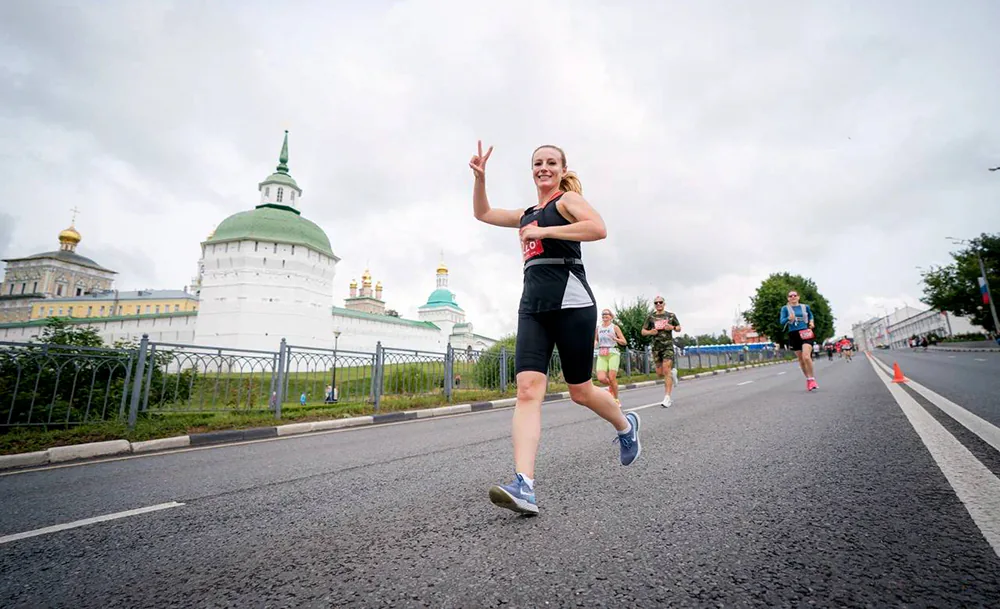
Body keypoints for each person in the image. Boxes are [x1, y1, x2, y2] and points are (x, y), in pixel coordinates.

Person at [469, 141, 641, 516]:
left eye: (550, 163)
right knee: (528, 390)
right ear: (532, 170)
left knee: (581, 391)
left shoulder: (565, 202)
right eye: (537, 163)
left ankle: (625, 426)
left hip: (572, 303)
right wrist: (480, 179)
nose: (543, 168)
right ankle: (524, 485)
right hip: (533, 306)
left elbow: (598, 228)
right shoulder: (527, 212)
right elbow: (483, 213)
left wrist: (545, 234)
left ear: (562, 170)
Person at [641, 297, 682, 407]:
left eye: (660, 302)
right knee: (660, 373)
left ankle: (667, 398)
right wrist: (651, 332)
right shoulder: (651, 317)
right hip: (656, 348)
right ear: (654, 305)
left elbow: (679, 328)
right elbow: (643, 331)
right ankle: (673, 373)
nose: (658, 304)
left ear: (664, 303)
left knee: (666, 370)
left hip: (667, 347)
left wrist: (672, 327)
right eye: (656, 303)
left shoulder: (671, 315)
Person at [780, 291, 818, 391]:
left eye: (795, 295)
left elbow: (810, 315)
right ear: (788, 298)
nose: (793, 297)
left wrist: (811, 321)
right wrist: (788, 318)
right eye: (790, 296)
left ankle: (812, 378)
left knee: (806, 356)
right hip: (793, 334)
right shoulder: (785, 309)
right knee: (801, 359)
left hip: (805, 332)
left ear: (798, 297)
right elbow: (782, 321)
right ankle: (808, 379)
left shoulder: (805, 307)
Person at [594, 308, 627, 405]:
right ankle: (612, 386)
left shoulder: (615, 327)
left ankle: (616, 399)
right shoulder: (598, 328)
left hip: (613, 353)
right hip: (602, 353)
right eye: (603, 314)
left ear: (611, 316)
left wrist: (616, 339)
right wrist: (594, 343)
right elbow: (596, 340)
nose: (604, 316)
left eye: (606, 314)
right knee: (601, 378)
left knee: (612, 378)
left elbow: (624, 342)